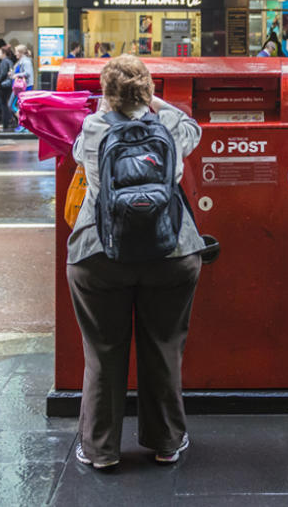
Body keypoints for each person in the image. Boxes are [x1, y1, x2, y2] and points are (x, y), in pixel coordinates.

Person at [67, 54, 205, 470]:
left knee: (103, 352)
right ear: (147, 89)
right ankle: (166, 442)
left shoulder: (94, 129)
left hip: (99, 254)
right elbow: (195, 131)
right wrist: (156, 103)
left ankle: (101, 450)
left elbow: (77, 153)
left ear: (107, 93)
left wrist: (106, 108)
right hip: (172, 252)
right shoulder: (169, 126)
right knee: (163, 348)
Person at [8, 44, 34, 133]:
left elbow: (28, 73)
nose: (15, 54)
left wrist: (16, 75)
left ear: (21, 53)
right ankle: (23, 124)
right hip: (19, 87)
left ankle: (23, 124)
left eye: (16, 52)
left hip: (24, 87)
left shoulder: (26, 61)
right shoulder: (21, 61)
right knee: (18, 106)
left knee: (13, 105)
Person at [0, 46, 16, 131]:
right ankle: (9, 120)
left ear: (4, 53)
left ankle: (5, 123)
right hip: (8, 86)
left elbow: (3, 74)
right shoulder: (10, 61)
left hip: (4, 86)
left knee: (3, 104)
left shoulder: (4, 62)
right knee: (5, 104)